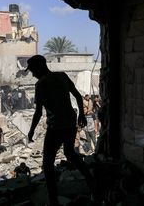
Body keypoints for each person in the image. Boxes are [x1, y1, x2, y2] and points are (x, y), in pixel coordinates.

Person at [25, 55, 96, 206]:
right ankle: (91, 180)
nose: (32, 74)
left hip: (56, 126)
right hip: (70, 123)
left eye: (32, 71)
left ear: (39, 67)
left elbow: (38, 112)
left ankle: (53, 200)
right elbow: (77, 95)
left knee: (47, 163)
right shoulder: (62, 76)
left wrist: (31, 131)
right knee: (70, 152)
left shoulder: (41, 84)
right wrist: (81, 115)